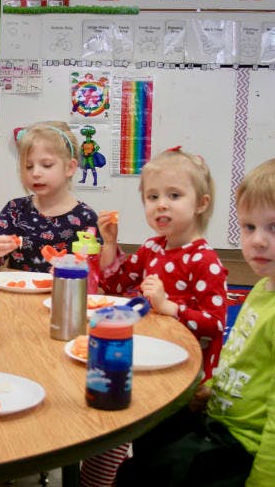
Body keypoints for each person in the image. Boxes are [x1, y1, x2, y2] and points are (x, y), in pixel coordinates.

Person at [116, 156, 275, 486]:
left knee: (139, 476)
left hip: (245, 450)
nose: (257, 240)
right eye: (249, 227)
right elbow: (242, 362)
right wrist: (208, 390)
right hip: (221, 419)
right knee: (145, 431)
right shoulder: (268, 285)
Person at [82, 147, 227, 486]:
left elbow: (215, 324)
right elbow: (114, 282)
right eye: (152, 196)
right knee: (139, 433)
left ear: (201, 203)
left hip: (187, 377)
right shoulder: (153, 247)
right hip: (150, 356)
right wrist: (109, 242)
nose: (161, 204)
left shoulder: (205, 260)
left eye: (174, 195)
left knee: (164, 447)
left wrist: (170, 307)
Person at [0, 121, 101, 273]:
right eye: (28, 166)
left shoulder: (85, 217)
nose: (35, 173)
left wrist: (72, 269)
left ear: (70, 167)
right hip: (18, 294)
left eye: (47, 165)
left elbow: (97, 270)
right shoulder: (15, 210)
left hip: (62, 293)